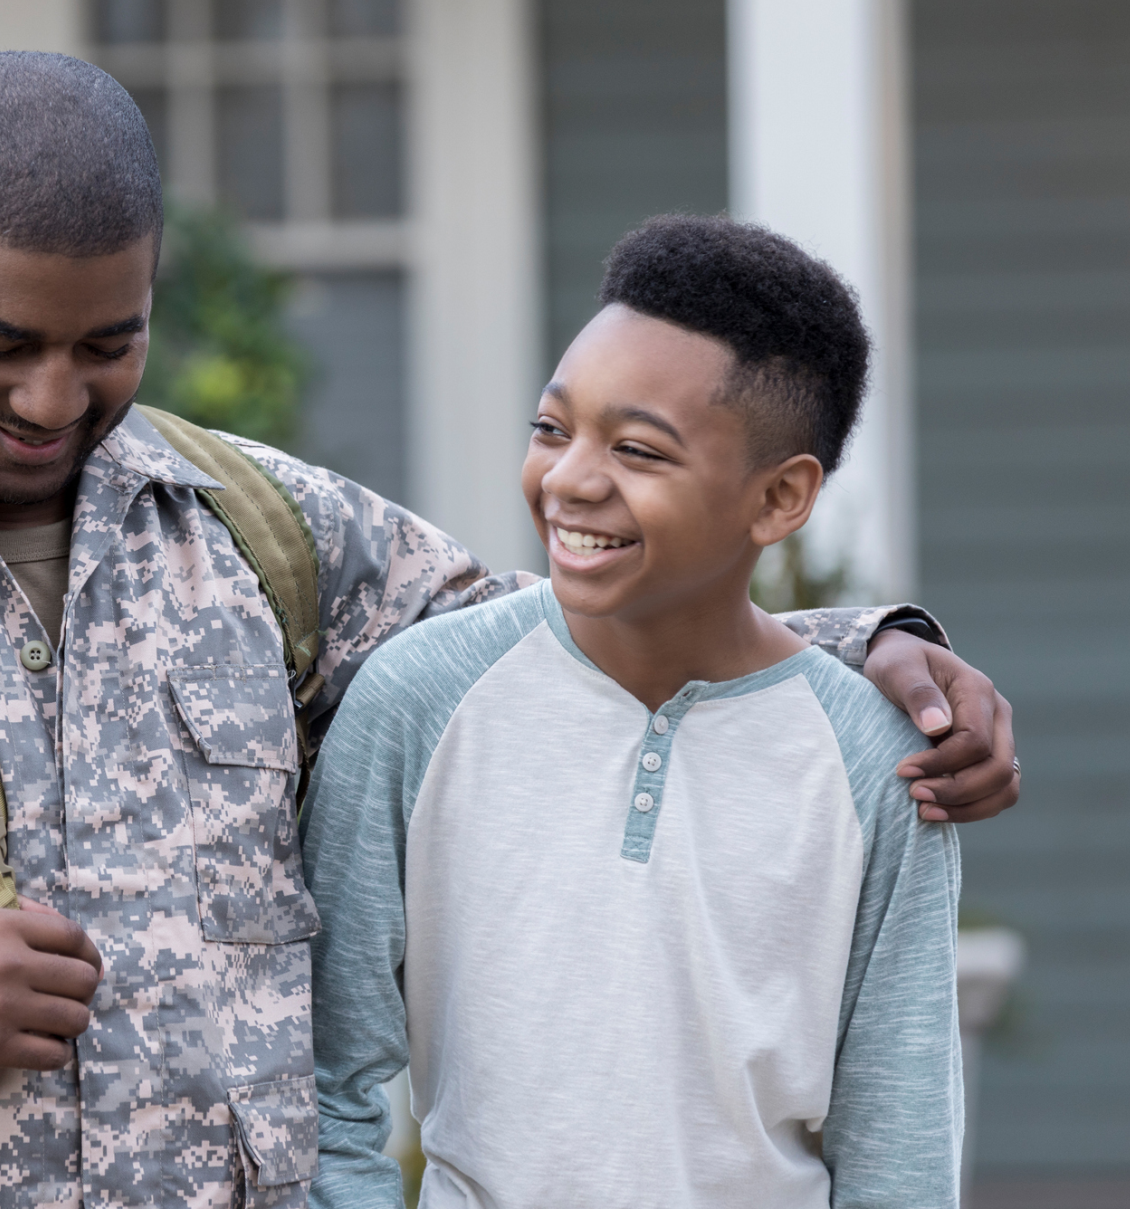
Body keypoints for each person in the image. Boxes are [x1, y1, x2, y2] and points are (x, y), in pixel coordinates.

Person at [0, 54, 1012, 1209]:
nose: (57, 399)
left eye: (107, 342)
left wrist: (863, 646)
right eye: (1, 343)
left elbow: (570, 642)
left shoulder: (257, 528)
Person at [303, 216, 965, 1209]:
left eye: (638, 451)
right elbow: (324, 1079)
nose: (571, 479)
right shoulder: (418, 700)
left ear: (780, 498)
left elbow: (897, 1135)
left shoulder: (873, 760)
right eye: (552, 428)